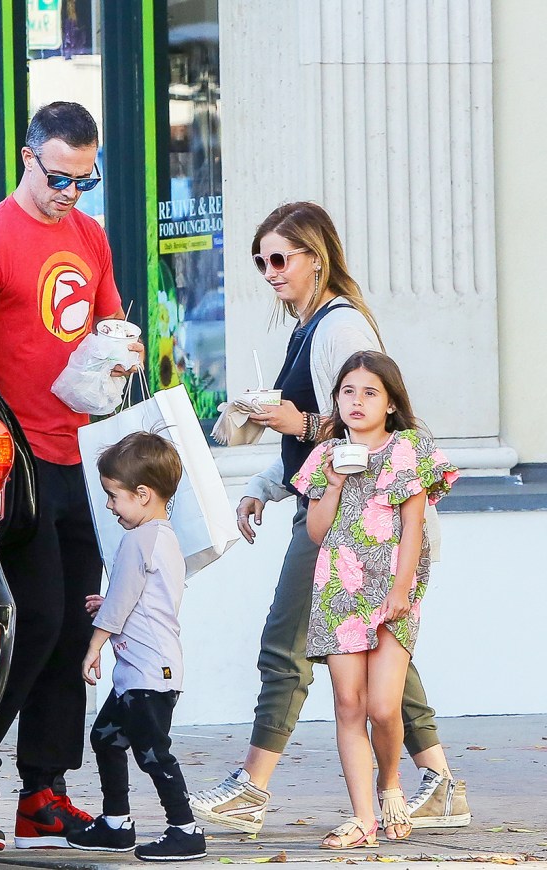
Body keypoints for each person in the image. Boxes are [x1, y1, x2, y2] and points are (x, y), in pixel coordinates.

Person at [189, 202, 471, 833]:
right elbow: (311, 440)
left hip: (356, 522)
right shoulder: (308, 325)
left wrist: (298, 424)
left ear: (316, 257)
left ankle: (253, 787)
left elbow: (367, 429)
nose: (269, 272)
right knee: (378, 657)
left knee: (285, 647)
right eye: (260, 262)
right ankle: (440, 783)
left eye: (280, 259)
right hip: (334, 512)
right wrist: (265, 481)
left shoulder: (340, 329)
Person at [0, 102, 143, 851]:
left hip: (81, 454)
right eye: (59, 176)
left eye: (85, 180)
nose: (70, 192)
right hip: (16, 458)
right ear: (27, 157)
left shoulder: (89, 235)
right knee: (37, 619)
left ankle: (45, 793)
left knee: (76, 629)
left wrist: (121, 349)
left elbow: (110, 321)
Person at [291, 351, 458, 847]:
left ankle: (391, 784)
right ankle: (364, 818)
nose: (357, 401)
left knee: (384, 707)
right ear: (337, 401)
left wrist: (402, 589)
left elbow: (413, 526)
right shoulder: (323, 456)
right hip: (339, 591)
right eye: (348, 391)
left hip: (392, 590)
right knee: (348, 703)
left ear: (389, 403)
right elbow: (318, 533)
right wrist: (336, 482)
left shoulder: (409, 449)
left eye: (370, 392)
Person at [66, 432, 207, 862]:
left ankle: (185, 829)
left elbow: (124, 599)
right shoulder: (162, 537)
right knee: (106, 737)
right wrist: (109, 602)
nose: (110, 506)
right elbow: (138, 596)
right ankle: (115, 823)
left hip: (149, 673)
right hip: (142, 672)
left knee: (152, 752)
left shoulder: (139, 539)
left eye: (114, 496)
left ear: (142, 494)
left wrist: (93, 646)